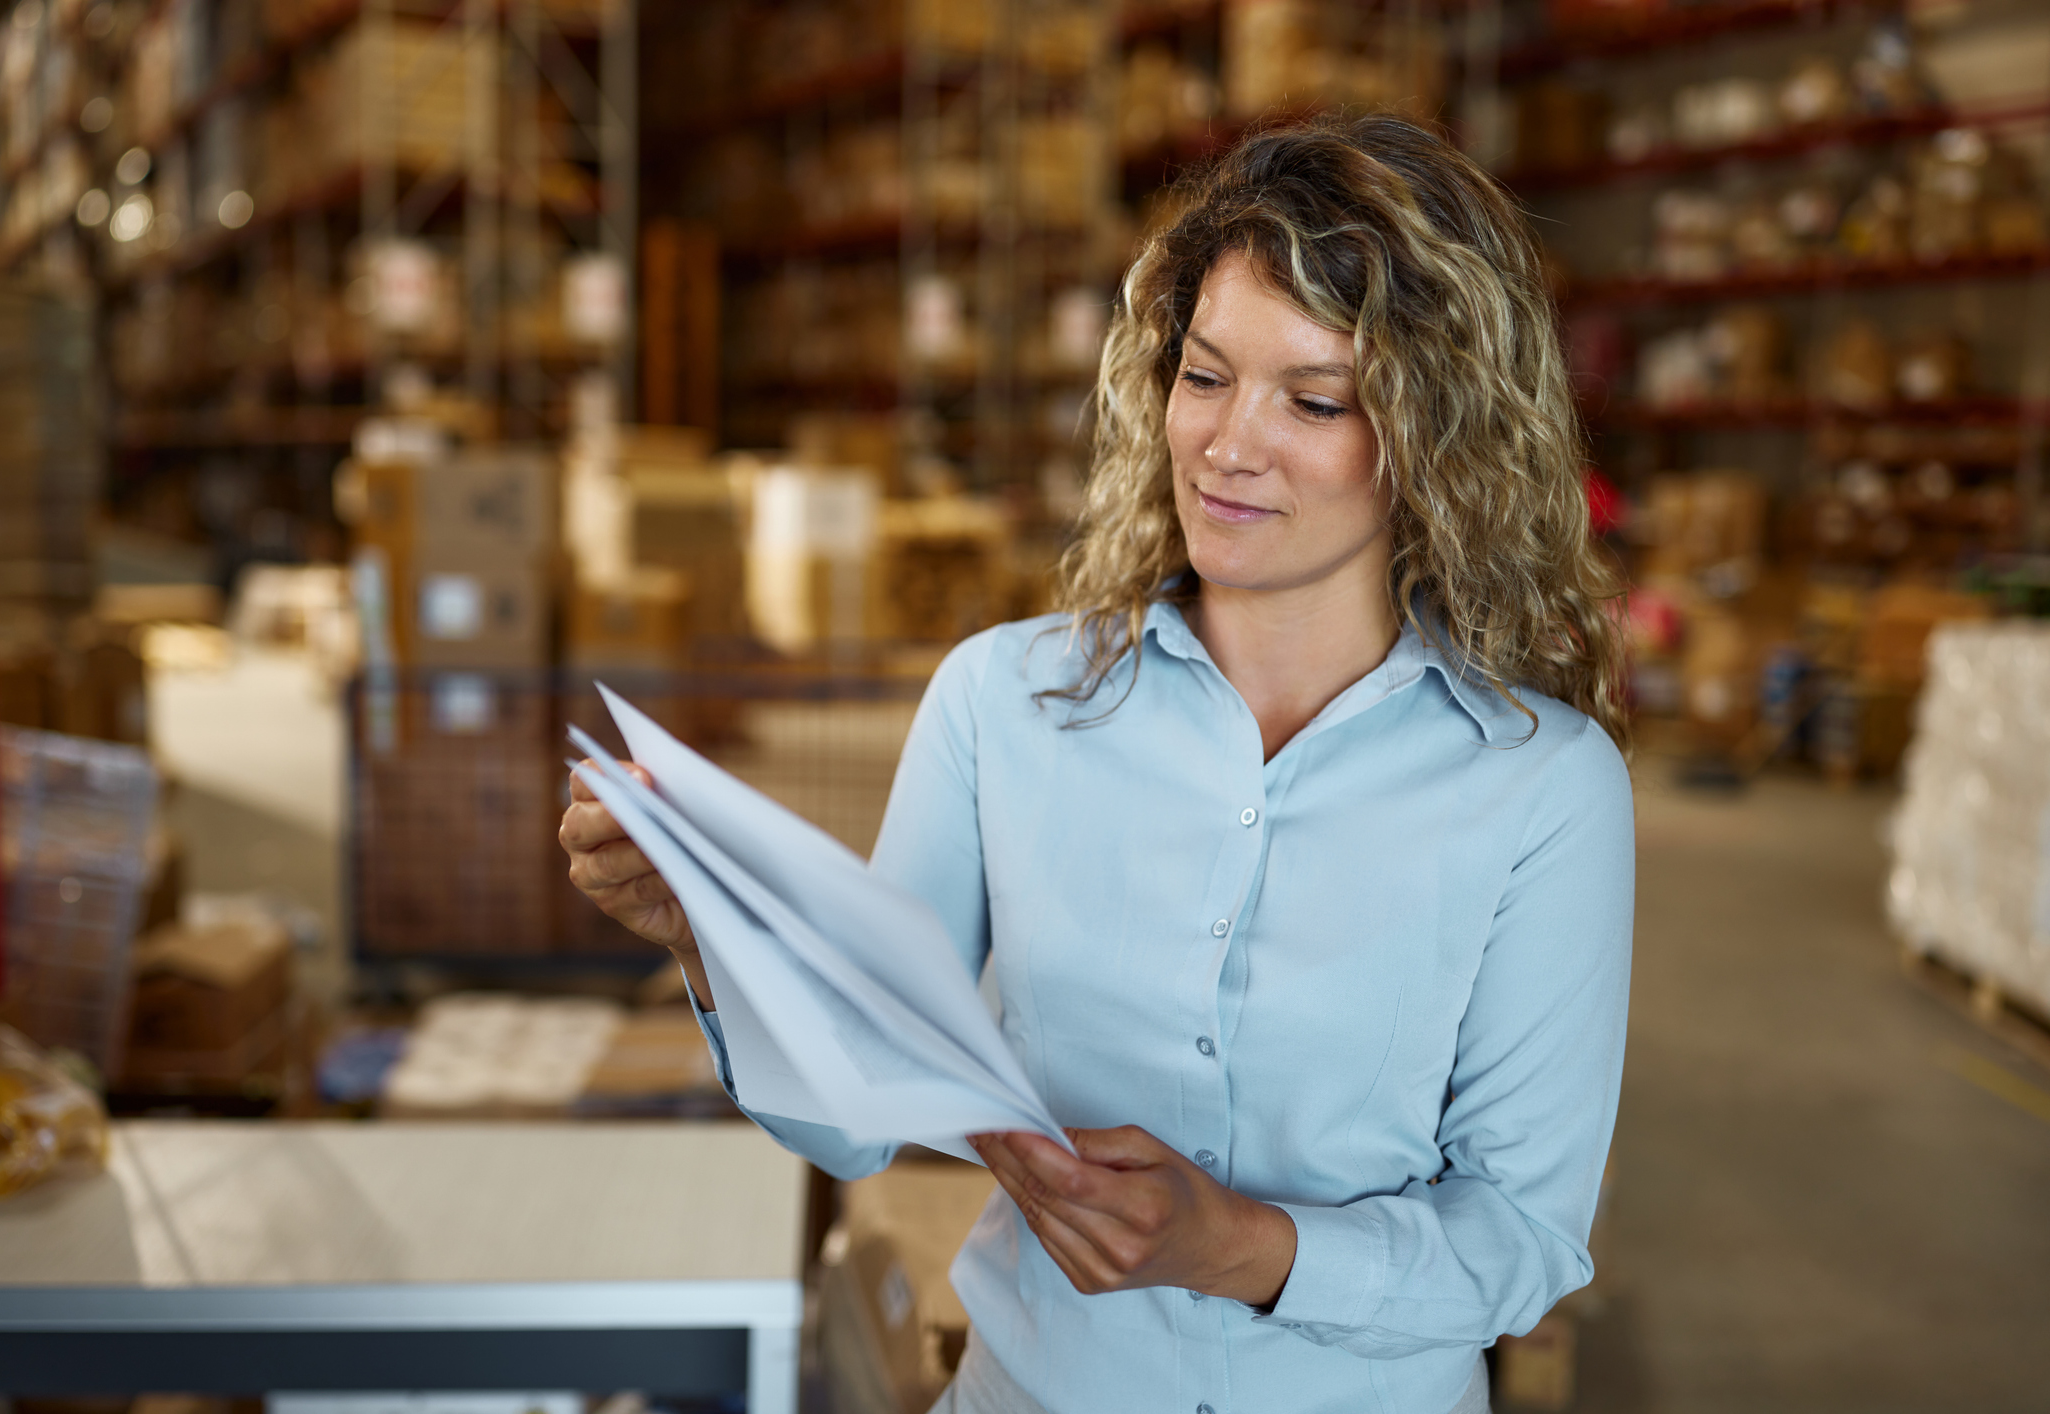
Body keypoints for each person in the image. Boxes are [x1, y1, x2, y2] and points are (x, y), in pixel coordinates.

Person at [560, 114, 1633, 1414]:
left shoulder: (1541, 785)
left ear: (1430, 436)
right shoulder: (1006, 702)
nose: (1230, 444)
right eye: (1204, 375)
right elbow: (853, 1116)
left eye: (1311, 398)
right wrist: (709, 939)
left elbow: (1521, 1238)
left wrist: (1239, 1245)